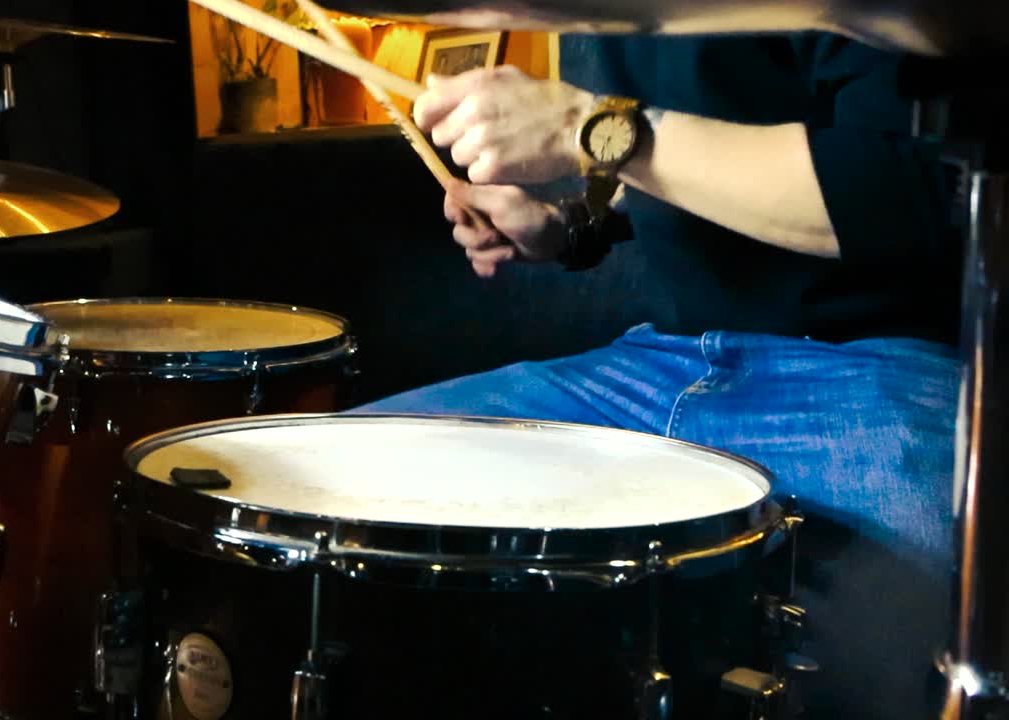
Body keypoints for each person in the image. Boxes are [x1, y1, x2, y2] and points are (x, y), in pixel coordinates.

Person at [354, 33, 961, 720]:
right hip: (661, 361)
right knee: (337, 497)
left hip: (873, 364)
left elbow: (896, 185)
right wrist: (571, 224)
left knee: (903, 655)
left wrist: (580, 126)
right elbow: (705, 140)